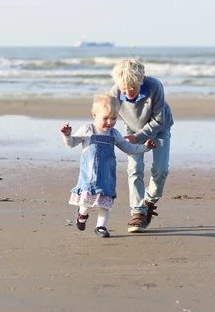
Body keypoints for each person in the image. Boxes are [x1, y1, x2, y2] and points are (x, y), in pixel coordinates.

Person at [61, 93, 156, 238]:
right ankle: (81, 215)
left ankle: (101, 227)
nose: (109, 122)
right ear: (94, 115)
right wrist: (67, 135)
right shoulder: (88, 130)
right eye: (105, 118)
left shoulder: (114, 134)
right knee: (86, 204)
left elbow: (128, 148)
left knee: (105, 205)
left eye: (114, 118)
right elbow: (71, 144)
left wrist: (145, 147)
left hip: (107, 176)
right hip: (89, 177)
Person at [109, 59, 174, 233]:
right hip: (132, 129)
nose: (128, 92)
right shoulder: (115, 92)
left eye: (133, 88)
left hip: (159, 129)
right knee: (134, 169)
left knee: (160, 170)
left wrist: (137, 138)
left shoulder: (154, 86)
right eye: (124, 89)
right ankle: (138, 212)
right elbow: (107, 117)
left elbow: (159, 120)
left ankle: (149, 201)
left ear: (141, 81)